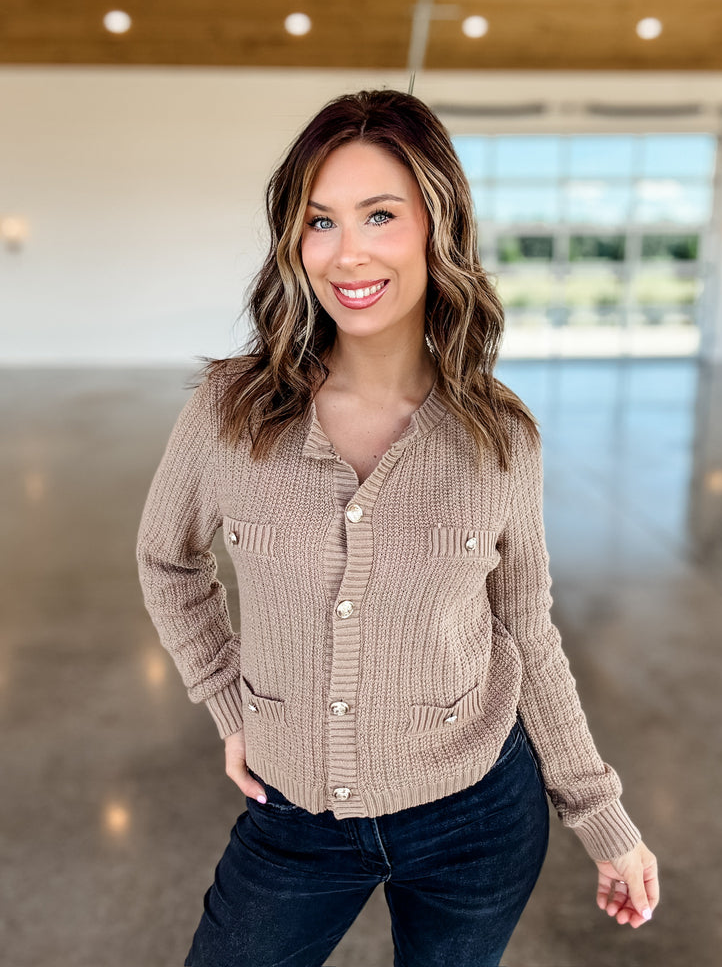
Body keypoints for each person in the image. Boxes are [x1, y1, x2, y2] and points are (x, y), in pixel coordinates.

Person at [136, 89, 660, 967]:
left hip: (478, 818)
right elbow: (167, 562)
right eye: (320, 221)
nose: (348, 252)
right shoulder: (230, 410)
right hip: (294, 815)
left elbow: (525, 629)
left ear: (436, 226)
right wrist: (230, 702)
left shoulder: (500, 435)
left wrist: (603, 818)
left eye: (380, 214)